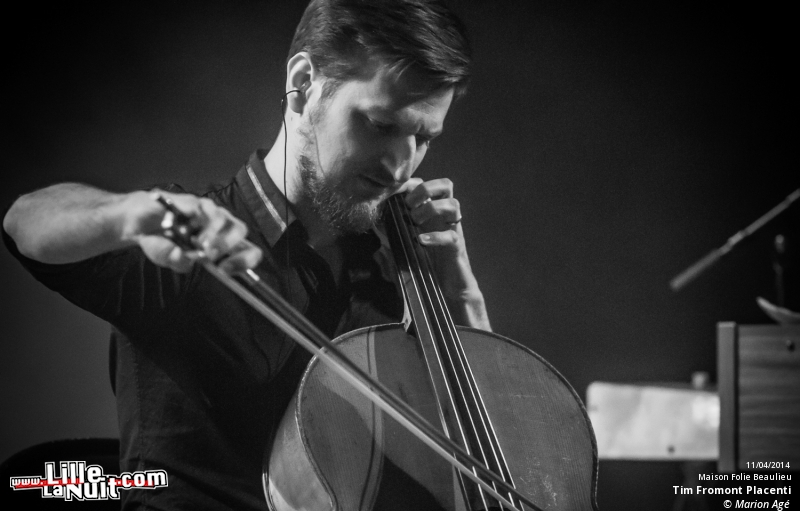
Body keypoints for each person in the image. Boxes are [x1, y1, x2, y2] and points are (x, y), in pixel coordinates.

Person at [3, 0, 490, 509]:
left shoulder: (393, 276)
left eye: (423, 137)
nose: (399, 165)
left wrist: (458, 289)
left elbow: (482, 439)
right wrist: (128, 214)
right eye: (379, 124)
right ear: (302, 85)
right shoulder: (189, 244)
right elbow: (26, 221)